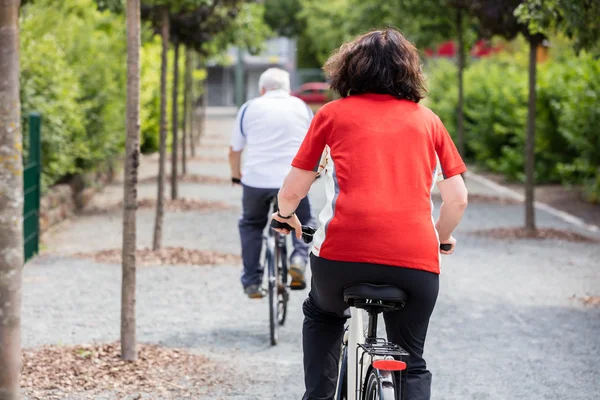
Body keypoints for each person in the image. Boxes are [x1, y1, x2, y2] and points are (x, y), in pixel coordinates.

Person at [272, 29, 468, 400]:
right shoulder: (429, 121)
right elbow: (457, 200)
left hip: (341, 259)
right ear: (410, 72)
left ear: (349, 70)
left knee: (322, 315)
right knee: (411, 362)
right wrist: (440, 237)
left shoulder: (331, 115)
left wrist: (284, 216)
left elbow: (293, 191)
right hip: (415, 263)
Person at [229, 67, 315, 299]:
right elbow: (315, 146)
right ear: (288, 89)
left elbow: (234, 150)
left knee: (251, 224)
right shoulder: (302, 108)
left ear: (262, 89)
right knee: (305, 219)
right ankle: (298, 257)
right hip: (292, 180)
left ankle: (252, 281)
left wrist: (236, 175)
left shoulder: (249, 107)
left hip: (256, 181)